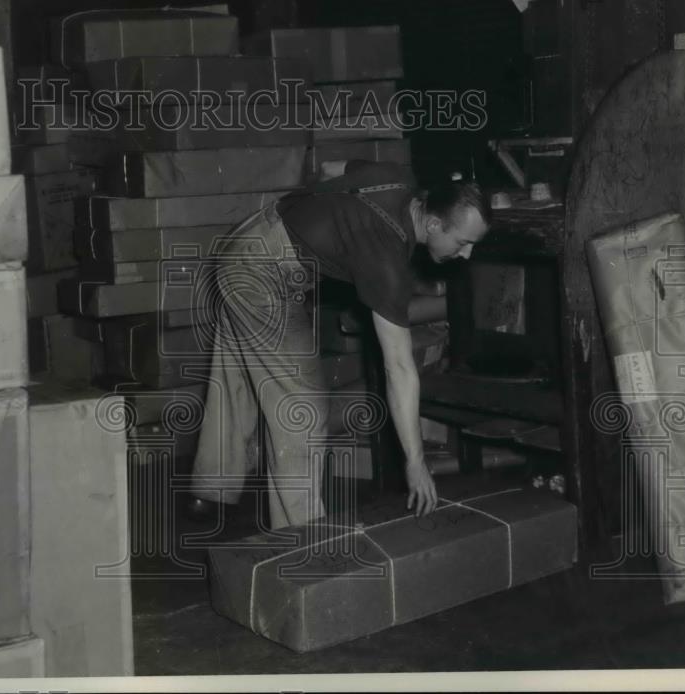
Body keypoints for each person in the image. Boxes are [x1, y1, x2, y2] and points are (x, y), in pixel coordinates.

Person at [187, 159, 492, 529]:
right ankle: (301, 543)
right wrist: (415, 460)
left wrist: (320, 227)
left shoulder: (398, 178)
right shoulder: (385, 260)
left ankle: (211, 489)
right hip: (260, 271)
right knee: (302, 411)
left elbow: (332, 168)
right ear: (432, 224)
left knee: (237, 368)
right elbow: (398, 367)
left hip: (250, 237)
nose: (466, 255)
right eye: (463, 243)